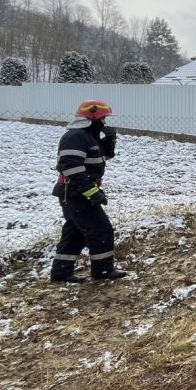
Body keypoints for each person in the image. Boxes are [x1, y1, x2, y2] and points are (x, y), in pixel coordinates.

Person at [50, 100, 128, 283]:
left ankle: (61, 273)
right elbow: (69, 166)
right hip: (76, 193)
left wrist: (110, 140)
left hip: (76, 193)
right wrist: (91, 191)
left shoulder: (89, 137)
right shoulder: (75, 137)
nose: (104, 123)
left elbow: (102, 157)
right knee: (101, 230)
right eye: (102, 119)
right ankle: (103, 270)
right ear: (92, 118)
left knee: (75, 233)